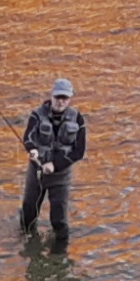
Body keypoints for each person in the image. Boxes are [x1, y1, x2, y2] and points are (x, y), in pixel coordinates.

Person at [20, 78, 87, 244]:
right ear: (51, 96)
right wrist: (32, 150)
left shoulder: (78, 119)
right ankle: (27, 244)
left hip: (61, 177)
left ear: (70, 99)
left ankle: (59, 255)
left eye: (65, 98)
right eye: (58, 97)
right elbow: (28, 138)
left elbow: (79, 151)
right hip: (36, 173)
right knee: (29, 213)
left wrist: (55, 165)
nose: (60, 101)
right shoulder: (37, 115)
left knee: (59, 220)